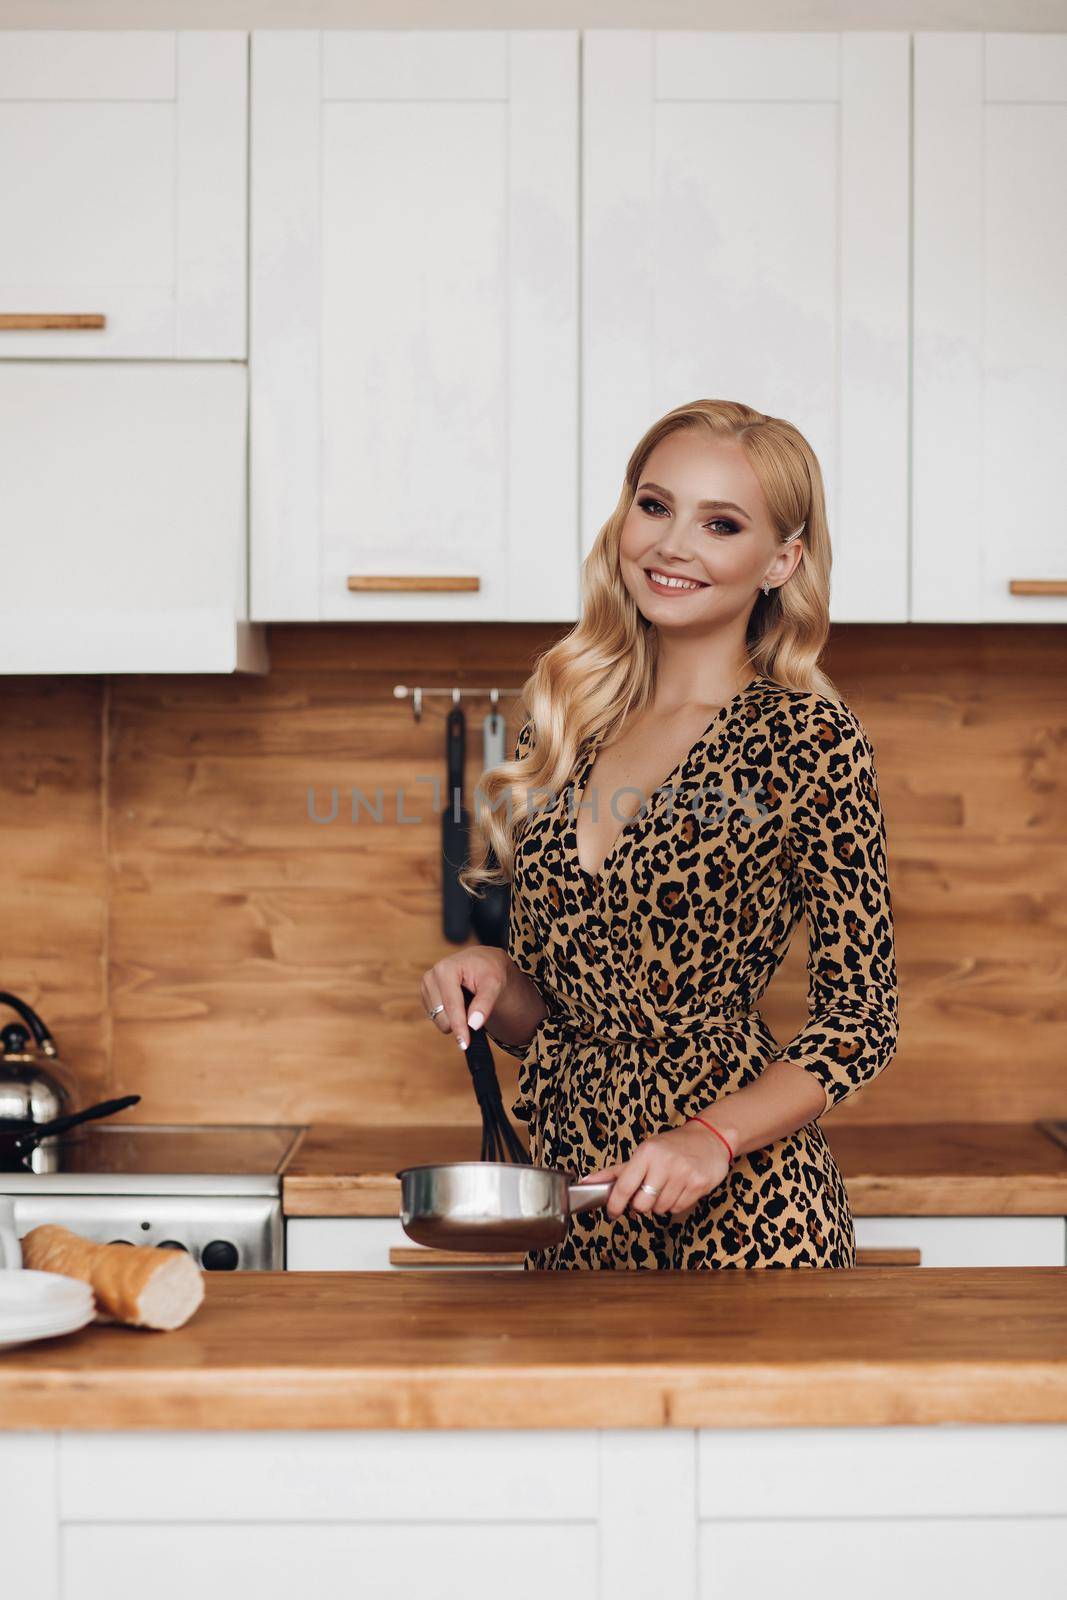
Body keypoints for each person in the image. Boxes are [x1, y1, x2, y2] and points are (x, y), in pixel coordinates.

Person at [420, 398, 899, 1269]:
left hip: (747, 1212)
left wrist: (710, 1138)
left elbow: (861, 1017)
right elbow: (554, 1027)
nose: (672, 544)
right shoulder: (566, 722)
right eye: (654, 505)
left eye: (719, 523)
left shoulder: (808, 739)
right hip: (575, 1200)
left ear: (779, 560)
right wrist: (495, 979)